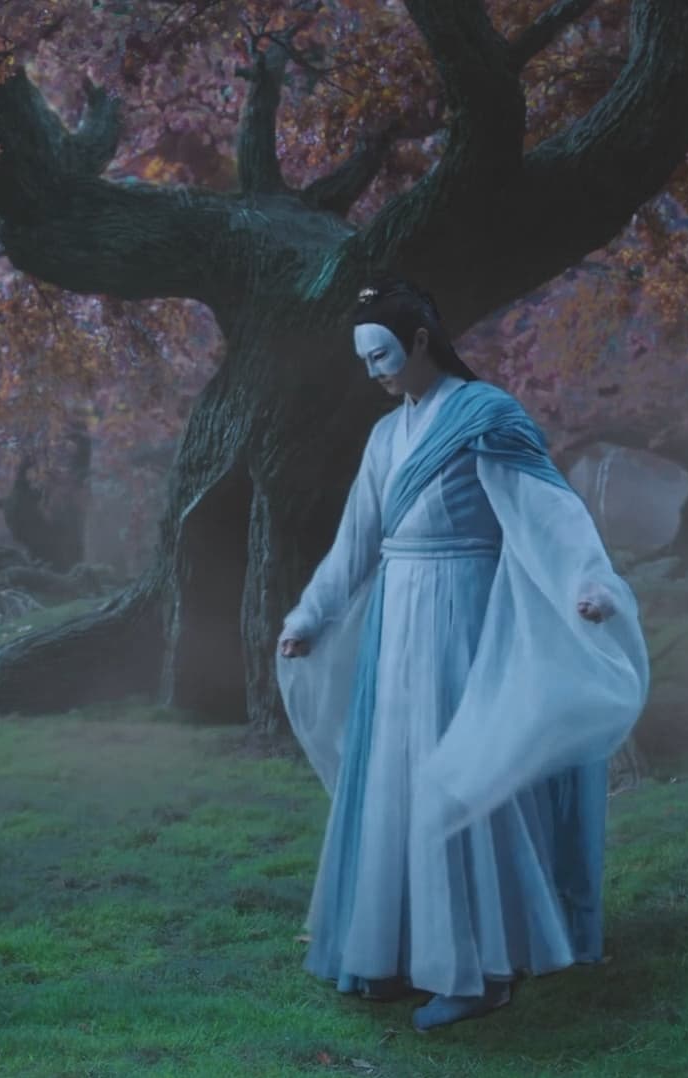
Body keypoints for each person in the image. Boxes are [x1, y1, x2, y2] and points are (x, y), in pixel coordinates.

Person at [275, 278, 650, 1033]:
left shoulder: (485, 414)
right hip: (396, 620)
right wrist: (311, 613)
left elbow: (549, 508)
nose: (374, 373)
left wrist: (587, 581)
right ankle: (397, 950)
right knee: (396, 779)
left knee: (461, 774)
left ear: (421, 340)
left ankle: (478, 969)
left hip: (464, 614)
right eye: (364, 360)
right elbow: (357, 539)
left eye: (382, 355)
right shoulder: (386, 436)